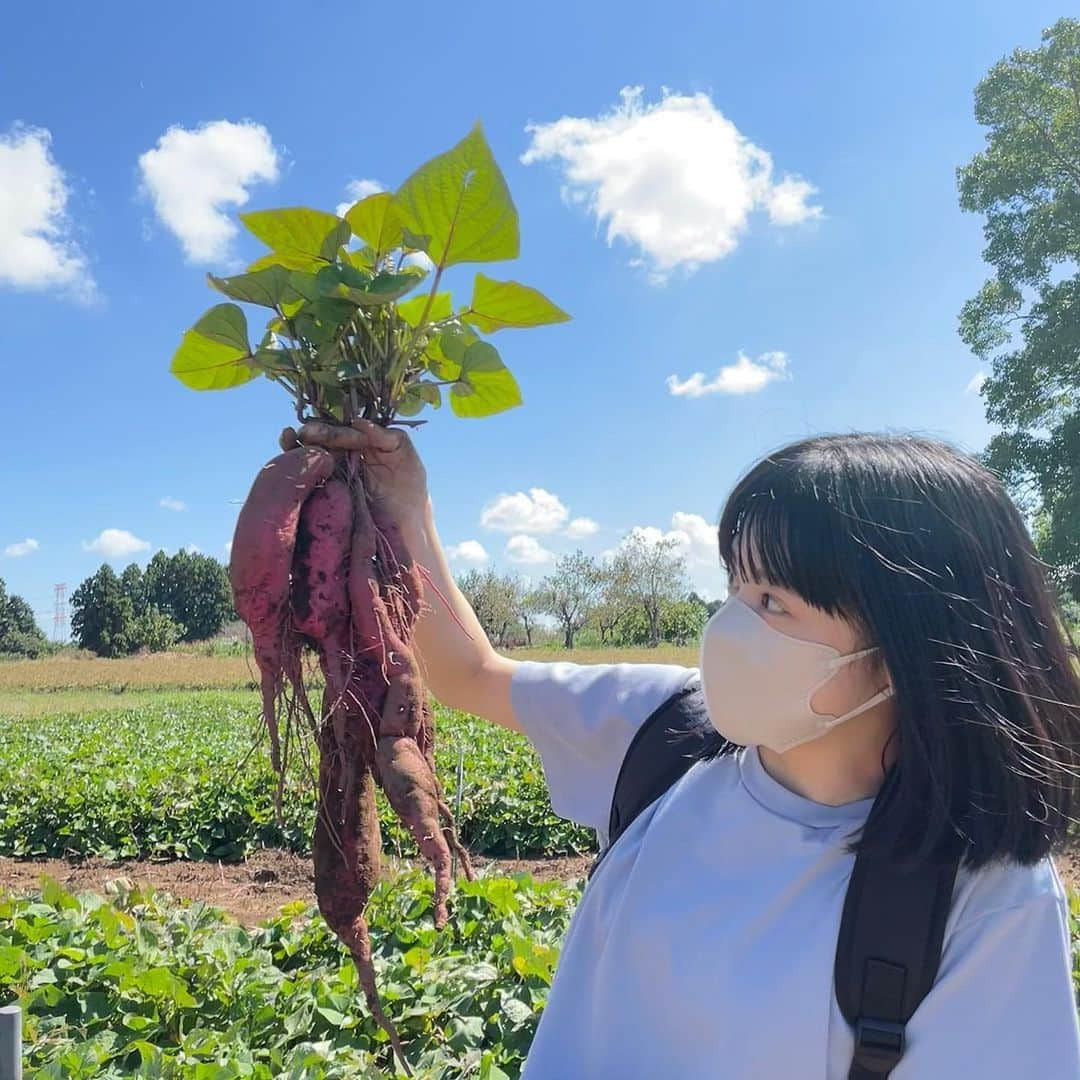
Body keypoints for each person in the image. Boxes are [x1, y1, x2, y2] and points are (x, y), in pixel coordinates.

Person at [292, 420, 1080, 1078]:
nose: (730, 627)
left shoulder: (984, 896)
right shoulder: (663, 730)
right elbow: (470, 672)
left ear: (913, 644)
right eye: (736, 586)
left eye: (774, 600)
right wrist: (399, 502)